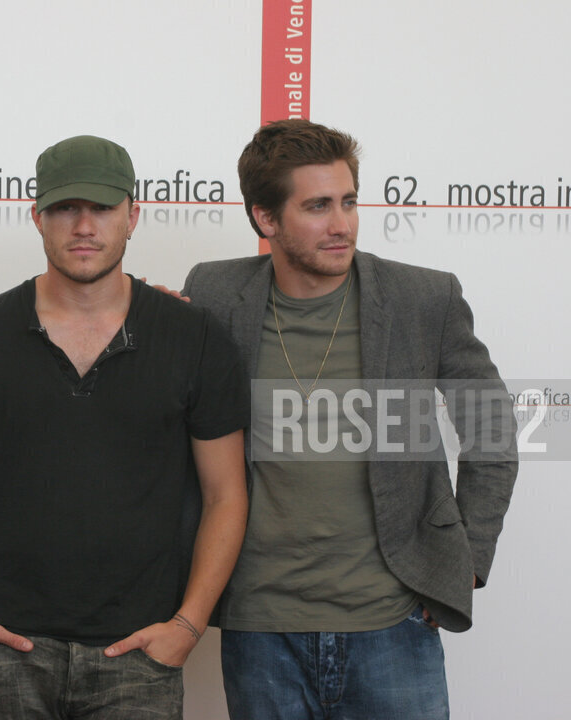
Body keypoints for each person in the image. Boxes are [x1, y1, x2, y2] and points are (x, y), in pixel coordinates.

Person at [182, 119, 518, 719]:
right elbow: (98, 311)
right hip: (261, 628)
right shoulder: (214, 291)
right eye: (316, 207)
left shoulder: (422, 298)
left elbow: (491, 424)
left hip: (394, 623)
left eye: (348, 201)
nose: (342, 225)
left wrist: (466, 558)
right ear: (266, 219)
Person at [0, 135, 249, 720]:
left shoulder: (193, 337)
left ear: (133, 216)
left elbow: (227, 493)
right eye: (67, 208)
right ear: (38, 217)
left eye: (103, 208)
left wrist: (187, 627)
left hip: (139, 652)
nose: (85, 226)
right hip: (4, 649)